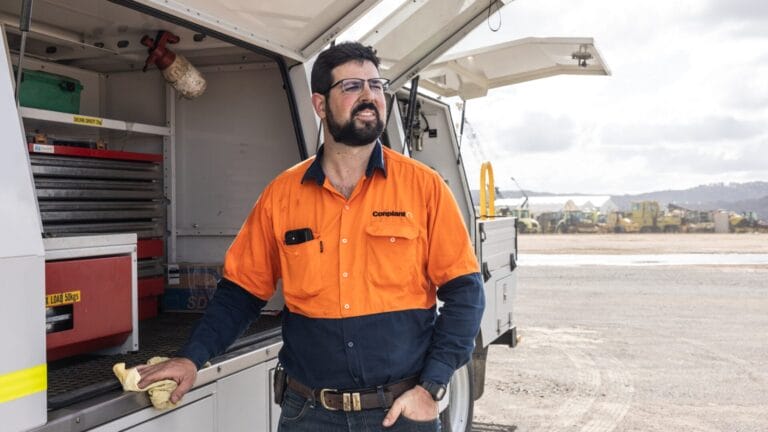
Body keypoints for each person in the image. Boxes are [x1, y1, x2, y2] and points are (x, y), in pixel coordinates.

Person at [137, 41, 484, 431]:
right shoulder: (282, 195)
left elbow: (466, 293)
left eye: (376, 84)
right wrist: (191, 357)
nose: (370, 96)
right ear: (320, 105)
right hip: (310, 414)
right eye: (352, 86)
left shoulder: (425, 188)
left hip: (399, 412)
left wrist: (432, 386)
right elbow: (241, 293)